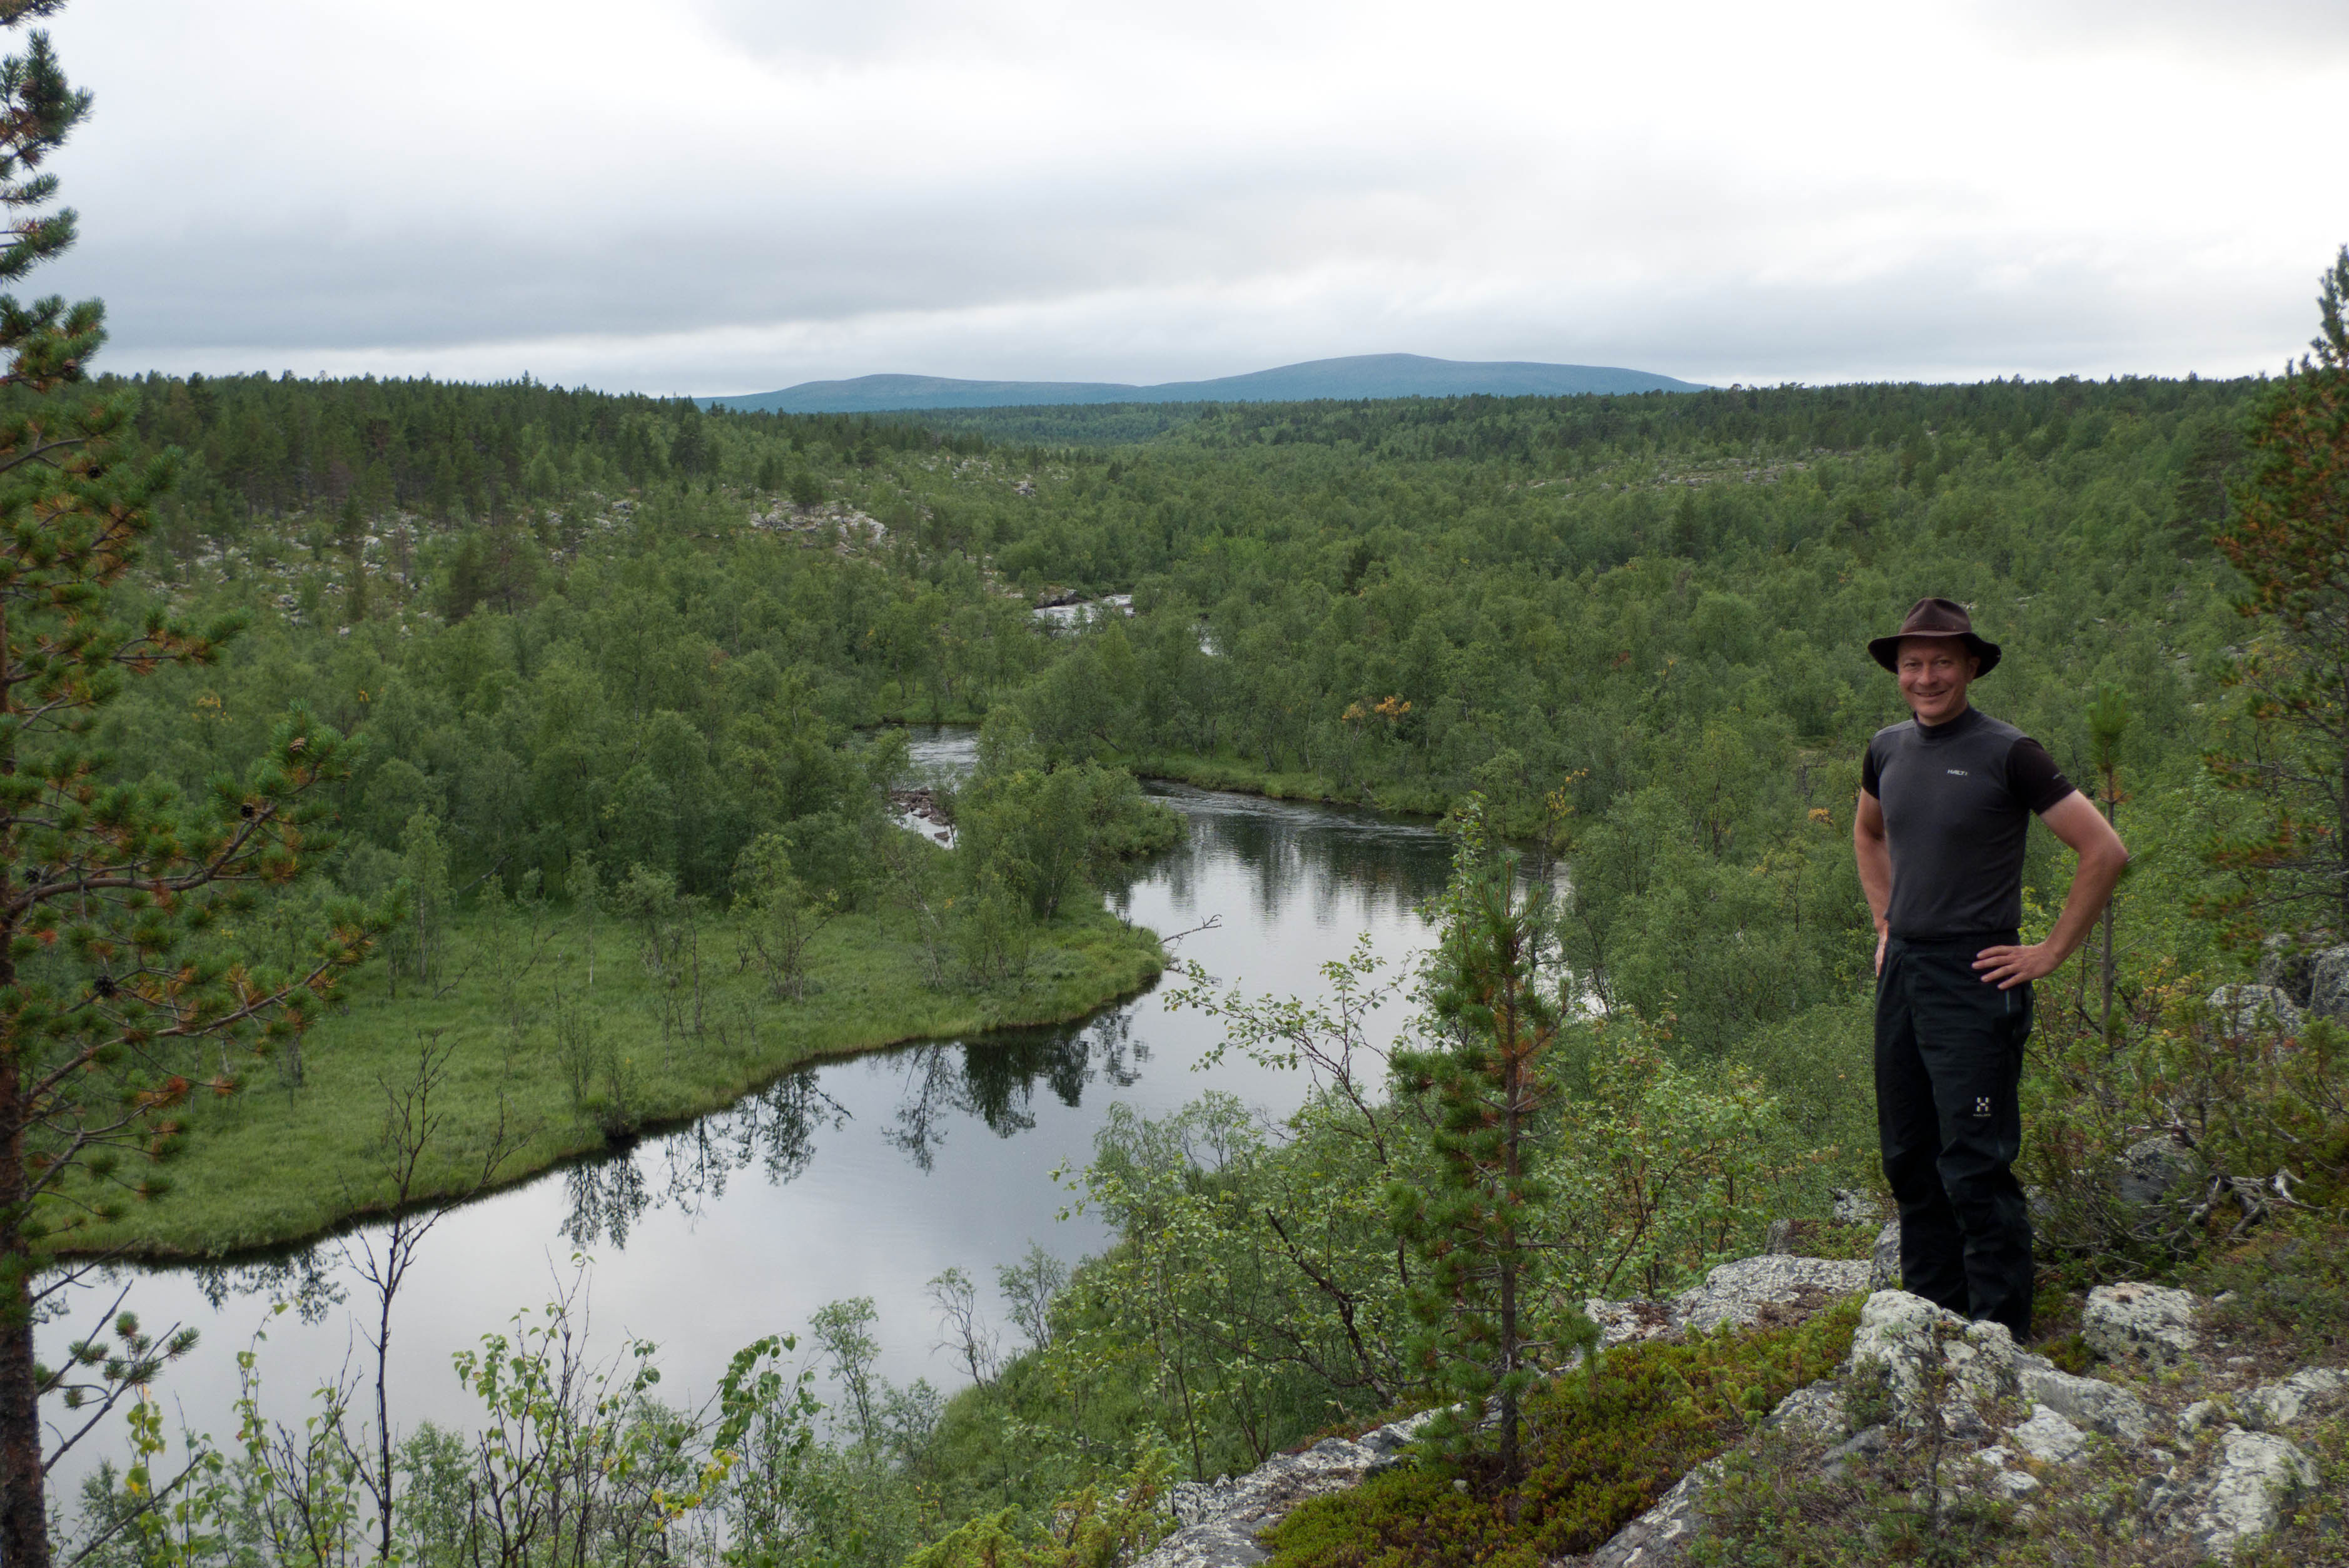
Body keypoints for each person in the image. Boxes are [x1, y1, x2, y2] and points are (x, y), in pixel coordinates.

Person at [1852, 597, 2128, 1338]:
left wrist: (2050, 951)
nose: (1926, 676)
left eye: (1942, 661)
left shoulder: (2010, 752)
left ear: (1971, 665)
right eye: (1913, 663)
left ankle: (2000, 1338)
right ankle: (1932, 1328)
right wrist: (1885, 922)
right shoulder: (1886, 748)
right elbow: (1869, 833)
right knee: (1910, 1158)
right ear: (1897, 670)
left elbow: (2105, 851)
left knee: (1974, 1164)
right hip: (1905, 972)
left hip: (1977, 977)